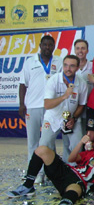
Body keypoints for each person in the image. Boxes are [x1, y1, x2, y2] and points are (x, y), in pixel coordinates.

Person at [6, 127, 94, 205]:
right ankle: (28, 185)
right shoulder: (90, 152)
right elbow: (71, 159)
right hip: (67, 171)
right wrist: (80, 143)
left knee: (75, 188)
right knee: (42, 150)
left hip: (80, 182)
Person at [19, 35, 63, 168]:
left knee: (48, 141)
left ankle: (51, 171)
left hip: (51, 108)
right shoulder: (30, 62)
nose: (47, 47)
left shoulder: (59, 61)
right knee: (32, 141)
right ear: (40, 46)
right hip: (33, 106)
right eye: (45, 45)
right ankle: (34, 173)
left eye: (50, 45)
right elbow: (22, 84)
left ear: (54, 47)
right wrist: (22, 104)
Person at [39, 55, 88, 163]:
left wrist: (74, 118)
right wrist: (64, 96)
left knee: (77, 144)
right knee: (44, 145)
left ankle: (74, 173)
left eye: (71, 66)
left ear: (77, 67)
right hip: (53, 118)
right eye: (65, 65)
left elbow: (81, 105)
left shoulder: (82, 83)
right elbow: (47, 105)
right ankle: (41, 175)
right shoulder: (53, 80)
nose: (68, 69)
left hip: (71, 118)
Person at [73, 39, 94, 136]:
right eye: (77, 48)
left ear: (87, 50)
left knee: (87, 135)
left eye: (83, 48)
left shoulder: (93, 66)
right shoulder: (69, 67)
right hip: (73, 107)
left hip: (89, 108)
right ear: (74, 50)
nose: (80, 51)